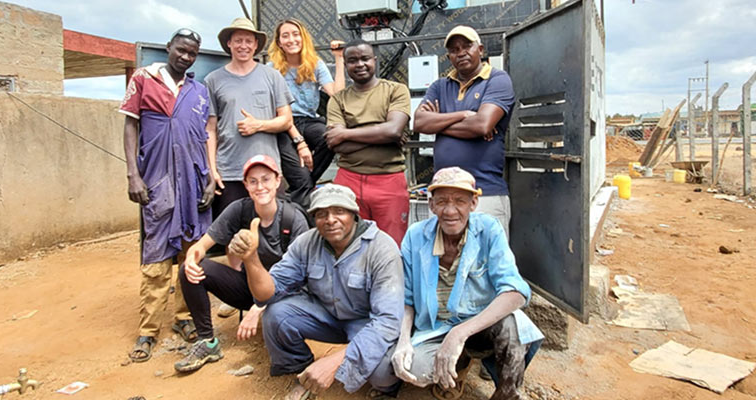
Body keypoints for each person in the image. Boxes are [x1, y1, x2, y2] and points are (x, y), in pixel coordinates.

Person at [229, 184, 403, 399]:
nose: (330, 220)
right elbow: (266, 294)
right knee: (276, 313)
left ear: (354, 214)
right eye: (321, 214)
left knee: (383, 373)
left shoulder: (382, 248)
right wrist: (251, 258)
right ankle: (299, 368)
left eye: (339, 211)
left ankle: (387, 390)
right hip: (326, 316)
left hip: (365, 323)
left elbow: (388, 321)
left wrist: (335, 360)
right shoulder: (307, 243)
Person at [392, 167, 544, 400]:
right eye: (442, 201)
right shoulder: (415, 236)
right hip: (435, 328)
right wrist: (403, 341)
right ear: (431, 205)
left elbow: (515, 291)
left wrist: (459, 333)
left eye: (460, 201)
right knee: (414, 369)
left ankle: (507, 393)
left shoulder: (489, 230)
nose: (450, 210)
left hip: (480, 325)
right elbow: (407, 299)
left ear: (473, 203)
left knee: (512, 326)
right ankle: (457, 364)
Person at [119, 28, 213, 362]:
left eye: (192, 53)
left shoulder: (198, 90)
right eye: (181, 50)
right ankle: (148, 330)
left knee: (192, 253)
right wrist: (133, 174)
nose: (185, 57)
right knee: (156, 255)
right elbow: (131, 125)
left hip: (194, 180)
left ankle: (184, 318)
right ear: (169, 48)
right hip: (158, 180)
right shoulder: (145, 79)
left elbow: (205, 135)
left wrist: (208, 179)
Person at [173, 155, 310, 373]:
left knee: (281, 309)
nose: (260, 186)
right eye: (253, 181)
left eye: (266, 179)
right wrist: (191, 257)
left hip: (286, 295)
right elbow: (201, 246)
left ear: (277, 181)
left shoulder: (294, 219)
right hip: (249, 287)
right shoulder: (240, 209)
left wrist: (260, 307)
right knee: (192, 270)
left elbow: (300, 277)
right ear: (245, 185)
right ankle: (207, 341)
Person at [413, 25, 515, 236]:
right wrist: (463, 115)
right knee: (443, 263)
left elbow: (482, 125)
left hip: (484, 193)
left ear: (481, 49)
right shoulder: (439, 86)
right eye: (454, 49)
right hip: (442, 196)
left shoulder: (497, 80)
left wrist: (439, 125)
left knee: (486, 264)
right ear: (449, 56)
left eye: (467, 46)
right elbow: (420, 123)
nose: (461, 52)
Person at [205, 17, 298, 215]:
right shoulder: (213, 80)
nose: (243, 46)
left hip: (267, 171)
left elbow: (286, 120)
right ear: (229, 43)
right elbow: (210, 129)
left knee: (272, 232)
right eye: (238, 40)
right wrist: (212, 170)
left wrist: (258, 125)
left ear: (256, 45)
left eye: (249, 41)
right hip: (229, 171)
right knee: (231, 236)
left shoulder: (272, 76)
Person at [326, 39, 411, 246]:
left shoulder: (396, 90)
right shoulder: (337, 100)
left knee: (392, 246)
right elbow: (337, 145)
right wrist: (383, 134)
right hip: (348, 180)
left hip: (388, 180)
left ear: (375, 60)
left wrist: (346, 133)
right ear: (345, 65)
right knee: (348, 245)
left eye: (365, 59)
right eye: (353, 60)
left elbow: (393, 130)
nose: (360, 64)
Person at [268, 18, 346, 186]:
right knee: (297, 171)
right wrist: (300, 143)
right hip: (284, 125)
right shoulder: (271, 69)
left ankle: (303, 184)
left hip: (310, 120)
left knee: (332, 137)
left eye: (296, 34)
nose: (291, 40)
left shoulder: (315, 64)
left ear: (303, 38)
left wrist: (339, 59)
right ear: (279, 42)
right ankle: (303, 184)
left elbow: (337, 95)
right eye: (285, 36)